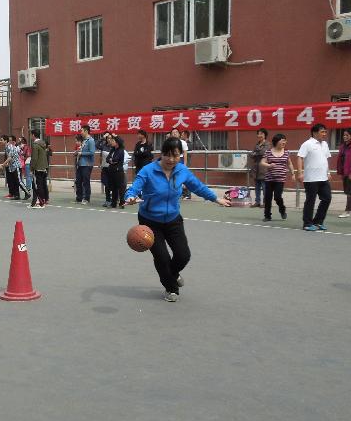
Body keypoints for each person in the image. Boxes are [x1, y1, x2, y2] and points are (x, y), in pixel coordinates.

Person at [125, 137, 231, 301]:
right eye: (167, 155)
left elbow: (197, 187)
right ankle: (171, 289)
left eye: (175, 155)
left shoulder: (182, 170)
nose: (171, 159)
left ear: (180, 155)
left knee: (183, 255)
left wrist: (216, 198)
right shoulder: (148, 171)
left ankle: (172, 275)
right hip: (150, 221)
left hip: (173, 219)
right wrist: (130, 197)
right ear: (161, 154)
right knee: (162, 258)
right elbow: (134, 188)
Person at [296, 123, 332, 231]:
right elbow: (300, 157)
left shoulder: (325, 144)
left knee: (327, 198)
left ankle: (318, 221)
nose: (324, 134)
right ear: (315, 133)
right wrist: (300, 173)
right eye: (322, 132)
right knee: (310, 201)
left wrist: (328, 172)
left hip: (323, 178)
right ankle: (307, 223)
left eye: (325, 132)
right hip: (311, 178)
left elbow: (326, 159)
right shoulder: (307, 144)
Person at [261, 133, 296, 222]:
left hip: (280, 179)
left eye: (285, 141)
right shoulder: (268, 152)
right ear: (276, 141)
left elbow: (289, 163)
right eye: (282, 141)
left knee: (277, 196)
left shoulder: (286, 152)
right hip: (269, 179)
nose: (284, 142)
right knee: (268, 197)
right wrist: (269, 165)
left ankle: (282, 210)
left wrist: (293, 173)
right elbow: (262, 162)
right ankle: (267, 216)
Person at [248, 129, 269, 208]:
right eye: (258, 134)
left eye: (261, 134)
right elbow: (251, 155)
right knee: (257, 186)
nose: (259, 135)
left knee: (264, 187)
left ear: (265, 135)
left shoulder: (267, 144)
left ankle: (266, 202)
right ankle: (257, 201)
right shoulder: (257, 144)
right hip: (256, 168)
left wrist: (255, 153)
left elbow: (264, 153)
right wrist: (256, 153)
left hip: (263, 168)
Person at [75, 125, 96, 203]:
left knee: (86, 181)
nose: (81, 132)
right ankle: (79, 197)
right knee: (78, 181)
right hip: (80, 164)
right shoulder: (84, 140)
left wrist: (82, 153)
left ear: (86, 131)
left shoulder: (91, 140)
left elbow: (92, 152)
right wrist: (77, 152)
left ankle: (86, 198)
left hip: (87, 164)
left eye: (82, 131)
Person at [29, 129, 49, 209]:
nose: (31, 136)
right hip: (44, 167)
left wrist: (31, 168)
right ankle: (45, 199)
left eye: (31, 135)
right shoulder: (43, 144)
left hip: (37, 168)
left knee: (38, 186)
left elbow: (34, 158)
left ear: (33, 135)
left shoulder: (35, 145)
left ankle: (40, 203)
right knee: (43, 185)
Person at [106, 135, 126, 208]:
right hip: (111, 170)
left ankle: (122, 203)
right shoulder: (112, 150)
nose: (111, 142)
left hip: (118, 171)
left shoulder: (121, 150)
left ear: (117, 142)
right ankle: (113, 203)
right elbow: (107, 159)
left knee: (120, 187)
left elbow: (116, 159)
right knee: (113, 187)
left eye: (113, 141)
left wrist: (111, 160)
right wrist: (111, 160)